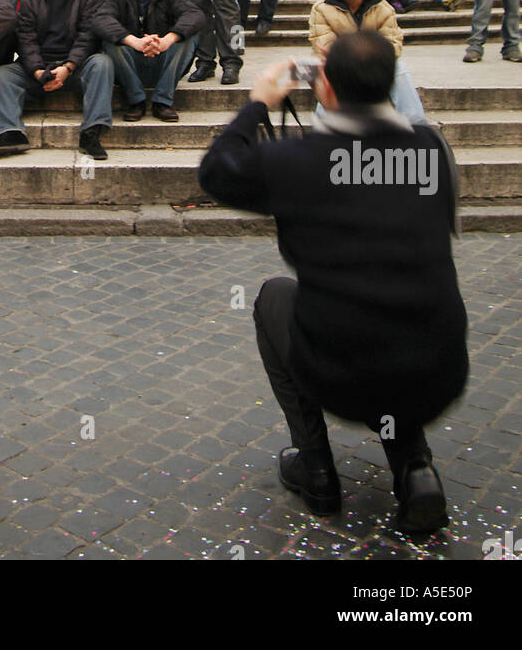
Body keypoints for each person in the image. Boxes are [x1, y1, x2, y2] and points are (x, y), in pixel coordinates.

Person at [198, 32, 467, 535]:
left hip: (342, 372)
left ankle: (317, 467)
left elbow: (216, 171)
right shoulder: (432, 150)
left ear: (326, 90)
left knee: (275, 296)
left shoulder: (299, 161)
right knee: (393, 311)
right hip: (439, 369)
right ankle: (415, 469)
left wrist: (258, 104)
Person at [0, 0, 113, 160]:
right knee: (1, 76)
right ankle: (10, 134)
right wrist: (37, 71)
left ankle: (91, 133)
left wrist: (68, 67)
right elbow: (26, 39)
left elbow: (87, 36)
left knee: (102, 63)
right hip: (40, 66)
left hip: (77, 66)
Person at [94, 0, 204, 121]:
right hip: (130, 63)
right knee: (110, 42)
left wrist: (167, 40)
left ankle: (162, 101)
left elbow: (195, 15)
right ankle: (136, 100)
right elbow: (101, 20)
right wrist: (133, 41)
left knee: (188, 38)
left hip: (163, 61)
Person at [308, 0, 425, 121]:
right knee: (329, 74)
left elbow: (393, 45)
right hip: (339, 66)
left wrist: (367, 61)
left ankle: (417, 126)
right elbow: (324, 47)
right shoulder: (321, 8)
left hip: (374, 67)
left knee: (399, 70)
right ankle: (325, 133)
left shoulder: (383, 8)